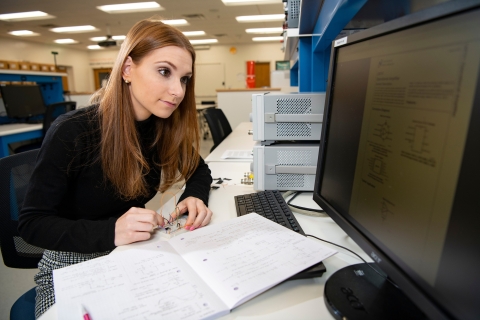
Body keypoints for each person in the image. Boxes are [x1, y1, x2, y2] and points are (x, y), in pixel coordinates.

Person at [18, 17, 213, 319]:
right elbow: (32, 223)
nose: (178, 91)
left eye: (185, 79)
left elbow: (199, 170)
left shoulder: (160, 126)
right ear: (127, 70)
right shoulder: (73, 131)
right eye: (164, 72)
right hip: (72, 265)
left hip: (131, 253)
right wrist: (111, 231)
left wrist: (196, 196)